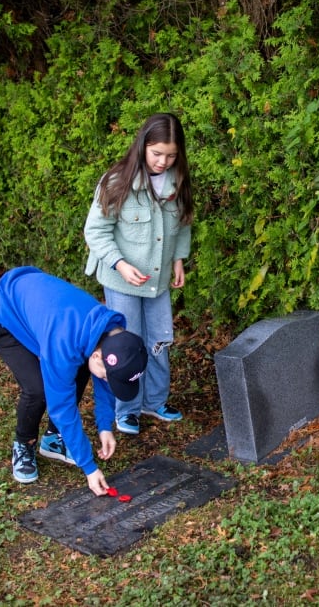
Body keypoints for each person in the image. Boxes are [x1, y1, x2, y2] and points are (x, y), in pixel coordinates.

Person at [0, 266, 148, 496]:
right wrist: (89, 467)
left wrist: (105, 426)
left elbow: (108, 375)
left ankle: (53, 440)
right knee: (38, 388)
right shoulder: (63, 343)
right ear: (98, 355)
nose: (107, 379)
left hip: (37, 303)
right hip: (1, 309)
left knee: (84, 368)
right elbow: (61, 407)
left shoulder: (113, 334)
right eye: (108, 375)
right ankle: (23, 444)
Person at [84, 112, 193, 435]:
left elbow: (183, 223)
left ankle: (154, 401)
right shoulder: (116, 181)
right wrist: (119, 263)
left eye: (171, 155)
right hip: (122, 280)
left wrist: (178, 260)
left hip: (157, 282)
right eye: (157, 153)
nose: (163, 161)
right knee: (126, 345)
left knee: (159, 339)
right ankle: (126, 409)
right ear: (143, 145)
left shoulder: (178, 181)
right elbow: (96, 232)